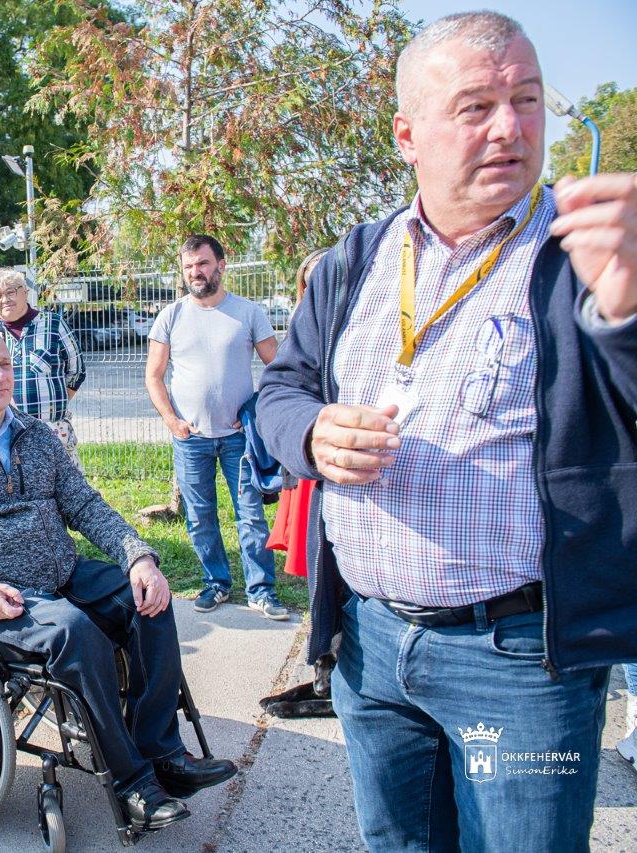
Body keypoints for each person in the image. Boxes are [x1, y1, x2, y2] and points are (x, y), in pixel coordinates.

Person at [257, 11, 637, 850]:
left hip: (521, 662)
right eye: (475, 106)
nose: (511, 126)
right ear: (407, 135)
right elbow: (281, 389)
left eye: (528, 100)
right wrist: (314, 433)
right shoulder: (355, 258)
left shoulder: (594, 255)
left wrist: (630, 312)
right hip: (372, 644)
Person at [0, 324, 238, 833]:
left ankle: (163, 752)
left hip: (61, 570)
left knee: (150, 598)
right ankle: (133, 783)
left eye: (5, 365)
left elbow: (85, 506)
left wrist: (139, 557)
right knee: (72, 630)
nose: (0, 375)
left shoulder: (37, 436)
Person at [145, 234, 285, 620]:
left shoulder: (248, 312)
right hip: (191, 440)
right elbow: (154, 376)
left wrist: (260, 412)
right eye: (188, 266)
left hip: (239, 438)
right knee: (200, 516)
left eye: (202, 264)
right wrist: (172, 421)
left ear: (221, 264)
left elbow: (279, 368)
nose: (195, 272)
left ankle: (261, 591)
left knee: (251, 515)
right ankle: (216, 583)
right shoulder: (171, 316)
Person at [264, 248, 328, 580]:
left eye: (325, 271)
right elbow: (284, 381)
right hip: (312, 438)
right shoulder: (301, 320)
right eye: (311, 275)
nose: (319, 280)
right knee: (308, 534)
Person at [0, 267, 86, 463]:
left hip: (52, 429)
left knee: (66, 488)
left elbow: (77, 370)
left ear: (25, 292)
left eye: (11, 291)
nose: (5, 299)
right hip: (8, 432)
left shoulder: (53, 324)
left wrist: (56, 404)